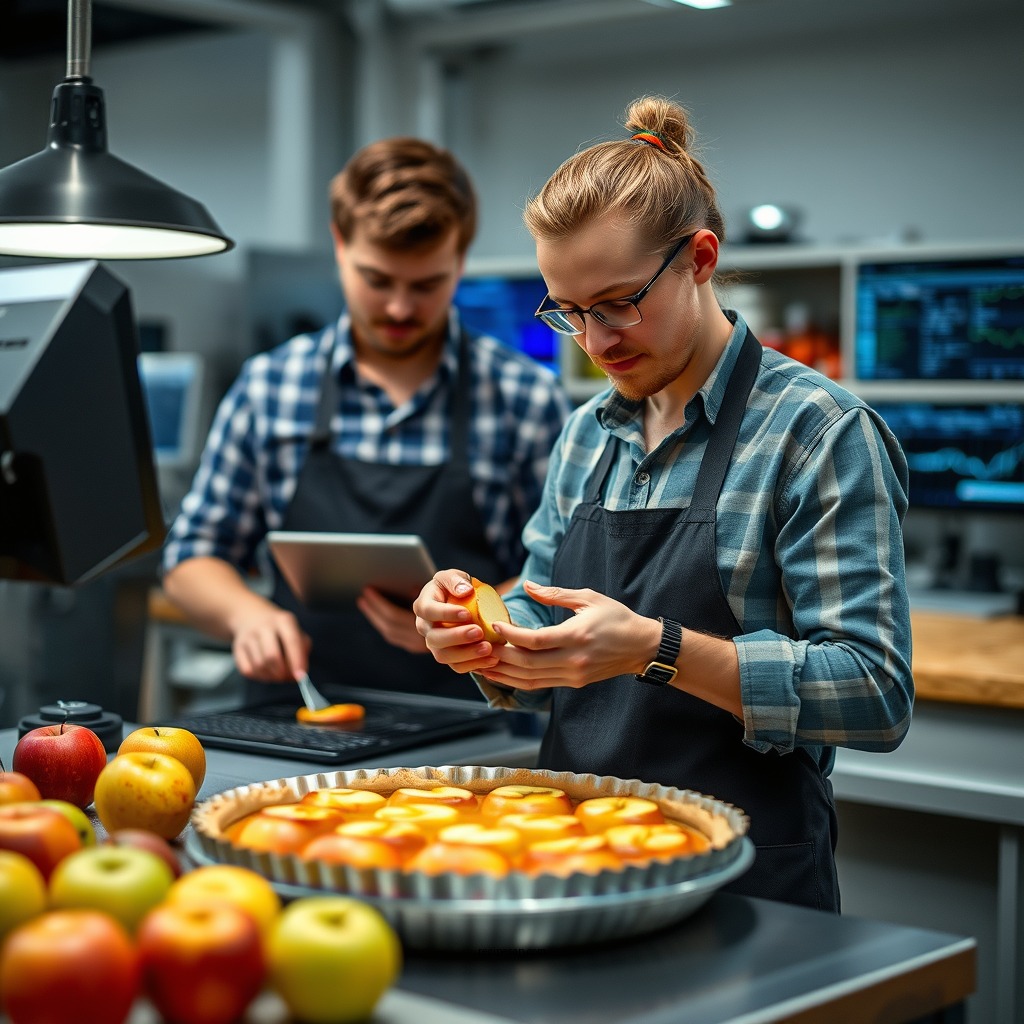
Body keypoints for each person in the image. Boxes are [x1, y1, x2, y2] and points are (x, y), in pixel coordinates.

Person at [413, 96, 914, 911]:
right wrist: (483, 629)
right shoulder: (587, 432)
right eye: (569, 313)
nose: (598, 341)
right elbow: (543, 612)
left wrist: (657, 648)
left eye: (617, 302)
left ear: (701, 258)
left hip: (747, 883)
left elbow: (873, 691)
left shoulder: (816, 433)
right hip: (574, 862)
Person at [162, 137, 571, 703]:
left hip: (471, 737)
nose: (401, 309)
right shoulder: (271, 387)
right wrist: (245, 615)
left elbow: (559, 573)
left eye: (426, 285)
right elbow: (191, 556)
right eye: (377, 280)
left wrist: (463, 624)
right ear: (339, 245)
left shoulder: (523, 397)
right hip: (296, 720)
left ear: (460, 258)